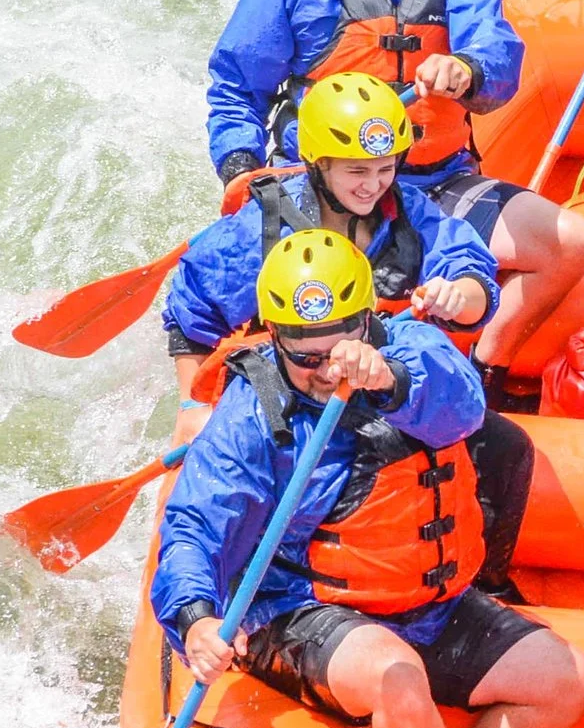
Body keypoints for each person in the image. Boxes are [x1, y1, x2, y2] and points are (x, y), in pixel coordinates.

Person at [152, 230, 584, 728]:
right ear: (276, 338)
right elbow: (196, 525)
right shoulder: (251, 417)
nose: (324, 370)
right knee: (397, 676)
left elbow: (463, 407)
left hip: (426, 604)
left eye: (337, 348)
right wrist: (194, 619)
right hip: (300, 607)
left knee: (568, 679)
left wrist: (390, 381)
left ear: (365, 321)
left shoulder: (411, 345)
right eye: (306, 356)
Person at [203, 0, 584, 400]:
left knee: (573, 242)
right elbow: (237, 85)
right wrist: (240, 163)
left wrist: (469, 68)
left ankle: (487, 371)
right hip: (328, 186)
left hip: (435, 180)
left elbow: (498, 53)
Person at [162, 73, 534, 599]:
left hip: (385, 383)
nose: (373, 184)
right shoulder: (262, 228)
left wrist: (462, 293)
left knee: (504, 448)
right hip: (294, 392)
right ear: (319, 163)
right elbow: (190, 314)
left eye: (385, 169)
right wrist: (191, 406)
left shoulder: (407, 210)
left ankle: (481, 583)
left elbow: (468, 264)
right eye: (357, 171)